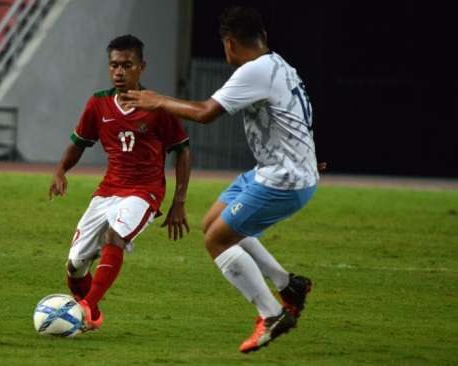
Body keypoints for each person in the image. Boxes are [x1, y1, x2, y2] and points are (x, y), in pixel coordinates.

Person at [121, 6, 318, 353]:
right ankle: (289, 285)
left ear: (229, 43)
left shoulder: (253, 71)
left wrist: (159, 101)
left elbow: (205, 113)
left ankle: (271, 314)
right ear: (263, 37)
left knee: (217, 240)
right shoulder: (280, 65)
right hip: (273, 169)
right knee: (212, 223)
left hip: (284, 178)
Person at [49, 34, 191, 332]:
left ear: (141, 67)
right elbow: (80, 142)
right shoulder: (98, 103)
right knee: (75, 265)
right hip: (107, 191)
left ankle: (85, 308)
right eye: (114, 65)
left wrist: (178, 201)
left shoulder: (157, 106)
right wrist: (61, 169)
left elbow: (182, 149)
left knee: (116, 237)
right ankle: (93, 312)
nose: (119, 72)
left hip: (145, 191)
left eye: (127, 65)